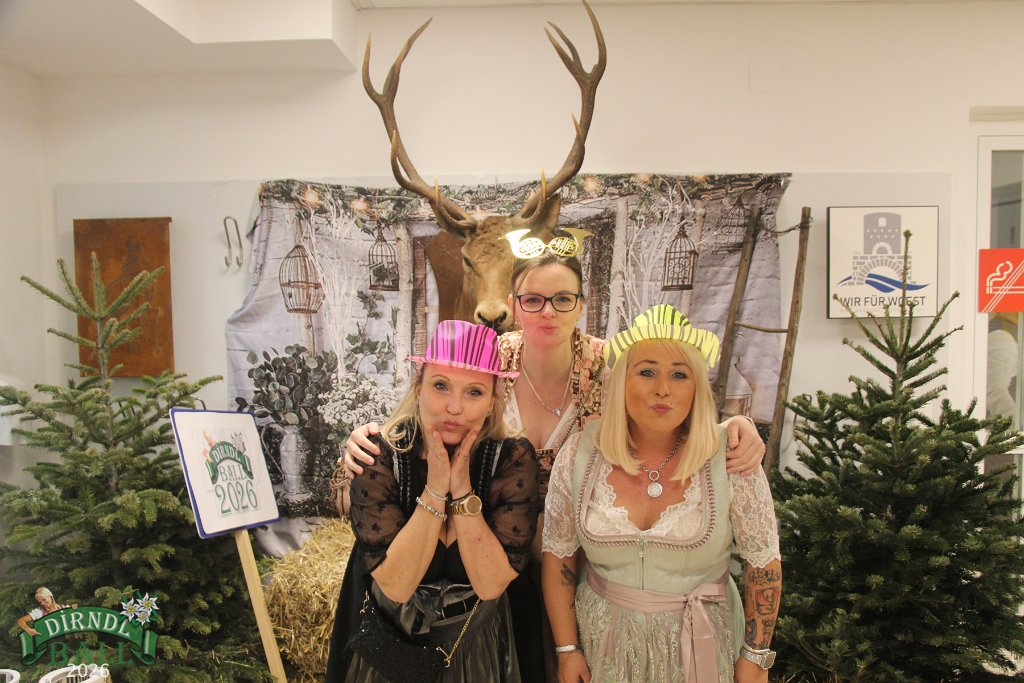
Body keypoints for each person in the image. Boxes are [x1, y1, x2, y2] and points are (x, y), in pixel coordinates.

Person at [337, 249, 768, 681]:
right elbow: (434, 401)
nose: (548, 312)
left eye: (563, 299)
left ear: (581, 304)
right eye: (533, 300)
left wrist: (733, 427)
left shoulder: (608, 366)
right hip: (495, 545)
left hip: (579, 546)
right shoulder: (489, 356)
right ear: (514, 304)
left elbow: (666, 404)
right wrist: (366, 439)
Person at [542, 304, 781, 683]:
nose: (663, 389)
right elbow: (559, 556)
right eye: (647, 371)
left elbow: (763, 563)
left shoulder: (730, 455)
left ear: (696, 387)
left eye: (680, 374)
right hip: (605, 651)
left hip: (700, 652)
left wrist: (755, 656)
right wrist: (567, 650)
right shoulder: (581, 453)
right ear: (623, 381)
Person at [339, 320, 539, 683]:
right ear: (419, 387)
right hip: (392, 653)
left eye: (474, 392)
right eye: (441, 386)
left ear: (493, 400)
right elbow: (397, 586)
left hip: (481, 651)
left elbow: (490, 585)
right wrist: (434, 489)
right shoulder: (380, 456)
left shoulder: (511, 459)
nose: (454, 407)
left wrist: (461, 490)